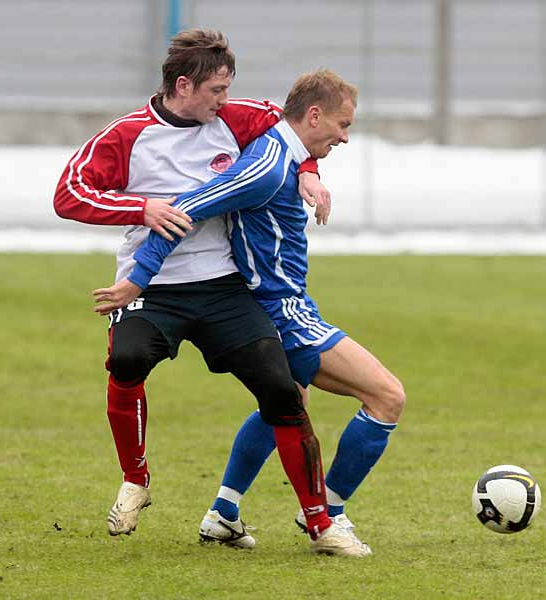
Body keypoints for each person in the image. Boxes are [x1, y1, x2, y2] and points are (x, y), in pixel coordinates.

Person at [54, 29, 368, 557]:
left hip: (222, 286)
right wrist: (142, 209)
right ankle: (136, 478)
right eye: (217, 90)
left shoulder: (237, 117)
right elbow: (68, 194)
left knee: (282, 389)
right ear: (184, 86)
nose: (226, 100)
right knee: (126, 359)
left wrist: (309, 172)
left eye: (228, 89)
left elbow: (294, 130)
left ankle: (321, 524)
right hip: (152, 287)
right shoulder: (128, 135)